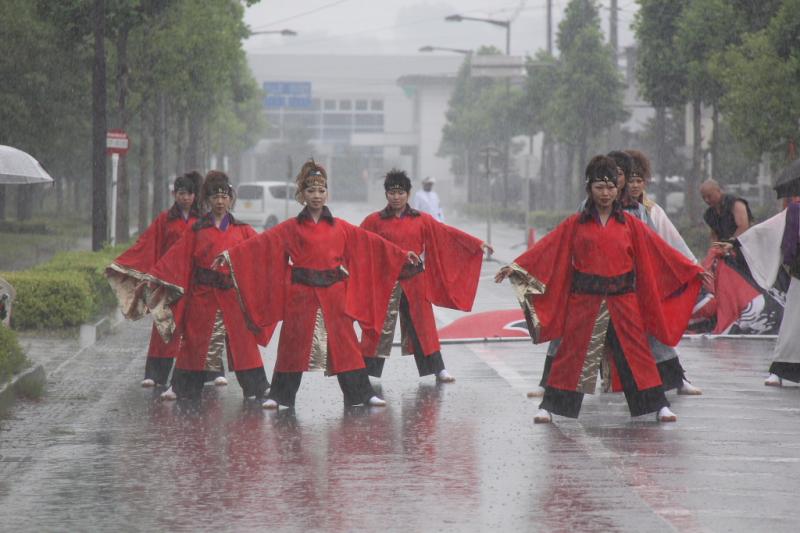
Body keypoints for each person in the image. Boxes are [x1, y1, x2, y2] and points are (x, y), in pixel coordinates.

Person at [495, 155, 703, 424]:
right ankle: (550, 406)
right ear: (589, 189)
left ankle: (657, 405)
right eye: (599, 188)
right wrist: (518, 267)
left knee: (637, 354)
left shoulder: (631, 224)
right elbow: (548, 248)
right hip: (586, 299)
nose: (605, 194)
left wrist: (693, 270)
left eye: (610, 188)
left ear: (618, 189)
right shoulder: (575, 224)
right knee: (573, 355)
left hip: (622, 299)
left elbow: (660, 252)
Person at [220, 160, 417, 409]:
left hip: (335, 293)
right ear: (302, 194)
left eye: (321, 191)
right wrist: (229, 256)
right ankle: (280, 396)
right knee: (292, 345)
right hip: (301, 294)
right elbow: (260, 246)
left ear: (327, 193)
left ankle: (361, 394)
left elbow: (371, 243)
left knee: (345, 345)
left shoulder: (340, 227)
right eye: (311, 191)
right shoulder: (290, 228)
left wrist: (400, 255)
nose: (316, 196)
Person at [144, 171, 272, 401]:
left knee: (243, 343)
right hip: (203, 295)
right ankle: (182, 387)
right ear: (207, 200)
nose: (220, 202)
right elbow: (176, 258)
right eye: (215, 197)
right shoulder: (197, 230)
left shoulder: (242, 229)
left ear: (231, 199)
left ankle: (258, 387)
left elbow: (262, 250)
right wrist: (154, 276)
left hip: (232, 295)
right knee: (195, 341)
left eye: (224, 197)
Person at [359, 169, 491, 383]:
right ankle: (365, 371)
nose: (396, 196)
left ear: (408, 194)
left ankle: (438, 369)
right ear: (386, 194)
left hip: (414, 280)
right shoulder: (374, 221)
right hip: (385, 282)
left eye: (401, 192)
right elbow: (357, 242)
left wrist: (475, 244)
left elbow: (446, 233)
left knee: (423, 327)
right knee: (378, 327)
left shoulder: (421, 219)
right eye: (391, 192)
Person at [106, 172, 201, 388]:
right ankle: (155, 374)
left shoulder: (200, 221)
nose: (185, 198)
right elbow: (148, 244)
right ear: (174, 194)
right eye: (181, 193)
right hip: (167, 281)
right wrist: (131, 267)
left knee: (196, 327)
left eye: (189, 194)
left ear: (195, 196)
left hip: (193, 281)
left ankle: (200, 374)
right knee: (163, 326)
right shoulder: (164, 220)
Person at [624, 149, 703, 395]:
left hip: (642, 283)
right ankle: (553, 388)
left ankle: (675, 380)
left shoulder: (651, 210)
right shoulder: (604, 209)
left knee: (655, 333)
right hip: (608, 283)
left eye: (640, 180)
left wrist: (693, 266)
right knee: (580, 332)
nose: (635, 185)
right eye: (630, 180)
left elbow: (673, 240)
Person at [716, 192, 800, 386]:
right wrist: (736, 242)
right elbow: (765, 230)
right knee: (792, 325)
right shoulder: (795, 210)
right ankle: (780, 370)